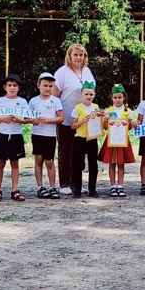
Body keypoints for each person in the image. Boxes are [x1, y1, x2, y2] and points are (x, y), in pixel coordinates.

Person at [53, 44, 95, 196]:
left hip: (85, 120)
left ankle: (77, 183)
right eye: (75, 55)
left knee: (79, 152)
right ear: (69, 56)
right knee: (66, 150)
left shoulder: (87, 71)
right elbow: (54, 96)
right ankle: (65, 183)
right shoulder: (62, 73)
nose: (78, 58)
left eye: (81, 55)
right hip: (67, 118)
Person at [0, 74, 32, 202]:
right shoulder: (0, 101)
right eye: (10, 85)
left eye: (15, 85)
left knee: (15, 163)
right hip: (3, 135)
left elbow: (27, 120)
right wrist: (3, 119)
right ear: (5, 87)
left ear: (19, 88)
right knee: (0, 163)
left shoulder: (22, 102)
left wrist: (18, 119)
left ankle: (15, 190)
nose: (12, 88)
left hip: (16, 135)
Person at [29, 72, 64, 199]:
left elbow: (60, 118)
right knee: (38, 160)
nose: (48, 88)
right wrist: (32, 120)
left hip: (50, 135)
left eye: (50, 86)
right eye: (45, 85)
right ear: (38, 85)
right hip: (37, 134)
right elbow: (29, 117)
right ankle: (40, 187)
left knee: (49, 161)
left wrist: (48, 120)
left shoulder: (56, 101)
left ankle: (52, 187)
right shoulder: (33, 101)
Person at [98, 84, 136, 197]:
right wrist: (105, 120)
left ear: (124, 97)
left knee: (121, 163)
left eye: (120, 97)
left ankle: (120, 185)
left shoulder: (127, 111)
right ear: (112, 98)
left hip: (123, 140)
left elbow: (128, 128)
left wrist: (130, 122)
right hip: (111, 140)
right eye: (115, 97)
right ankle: (113, 186)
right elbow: (105, 127)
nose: (117, 100)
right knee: (112, 163)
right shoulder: (108, 111)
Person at [69, 81, 103, 197]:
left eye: (91, 94)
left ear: (94, 95)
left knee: (93, 164)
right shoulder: (77, 109)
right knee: (78, 165)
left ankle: (92, 189)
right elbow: (72, 126)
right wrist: (82, 121)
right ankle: (77, 188)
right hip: (80, 139)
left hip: (92, 139)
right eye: (86, 94)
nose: (89, 96)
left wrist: (103, 117)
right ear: (81, 94)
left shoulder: (96, 107)